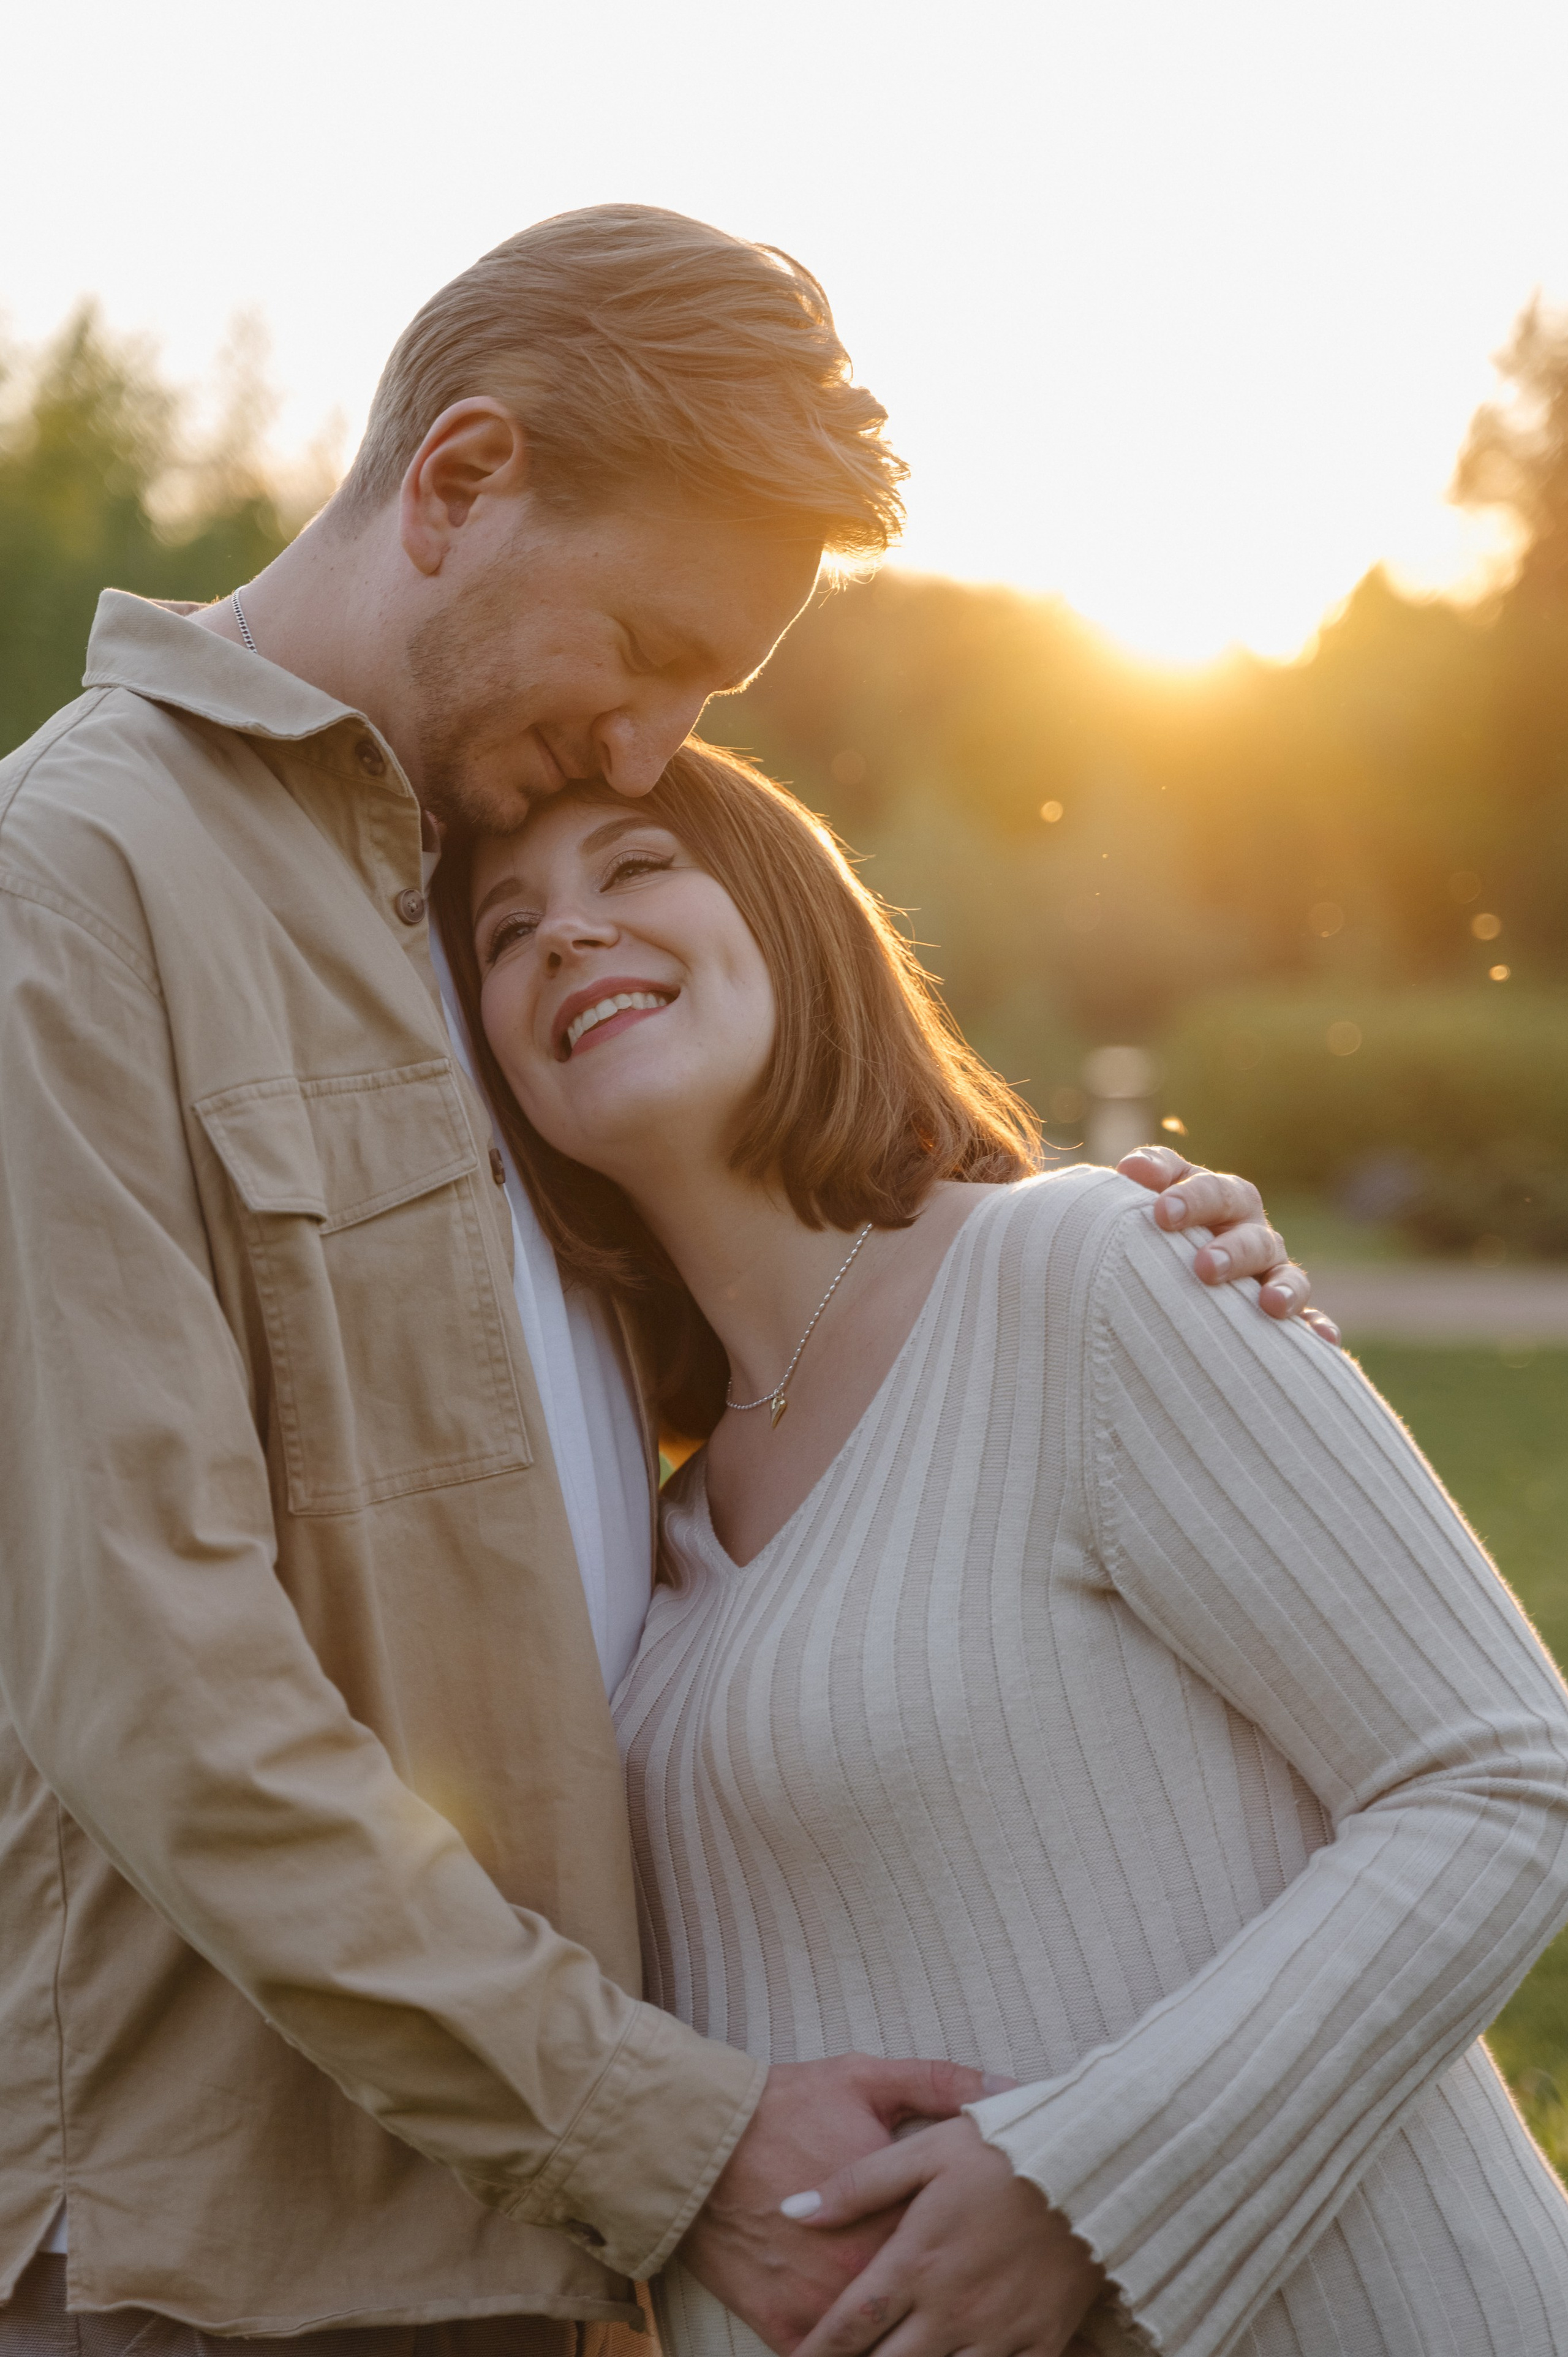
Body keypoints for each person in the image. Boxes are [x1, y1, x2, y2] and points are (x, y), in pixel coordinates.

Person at [0, 206, 1320, 2357]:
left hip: (568, 2249)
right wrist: (668, 2134)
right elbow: (153, 1672)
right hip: (229, 2269)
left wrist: (1120, 1263)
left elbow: (773, 1358)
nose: (651, 752)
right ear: (459, 480)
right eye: (648, 645)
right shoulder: (71, 889)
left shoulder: (493, 898)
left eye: (711, 699)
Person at [439, 741, 1568, 2357]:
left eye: (634, 868)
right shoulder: (651, 1531)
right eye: (504, 932)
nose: (563, 931)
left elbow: (1505, 1775)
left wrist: (1085, 2187)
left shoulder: (1092, 1271)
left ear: (794, 923)